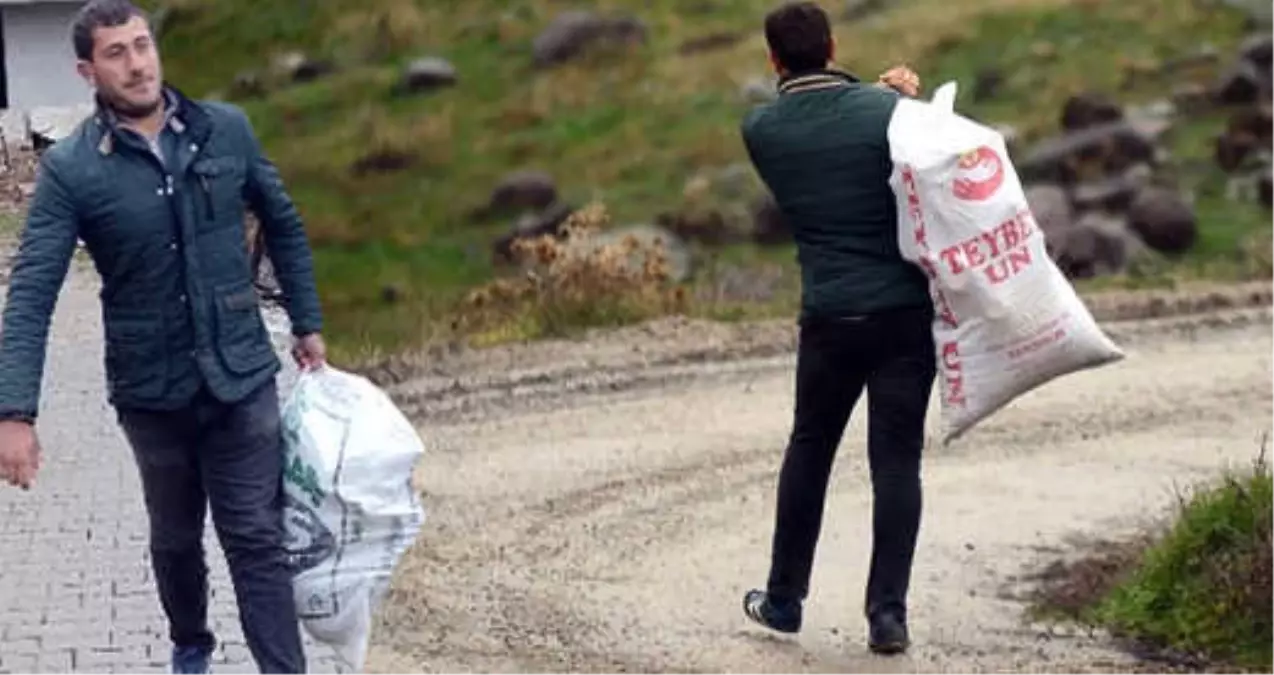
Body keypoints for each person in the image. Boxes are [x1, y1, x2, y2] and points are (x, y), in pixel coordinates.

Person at [0, 1, 325, 672]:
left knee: (256, 538)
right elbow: (32, 290)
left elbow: (285, 223)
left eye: (142, 45)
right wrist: (14, 412)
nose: (137, 62)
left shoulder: (225, 131)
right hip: (152, 391)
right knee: (176, 540)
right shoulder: (73, 170)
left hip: (241, 375)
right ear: (87, 70)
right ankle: (190, 642)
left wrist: (307, 321)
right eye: (116, 52)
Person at [737, 1, 935, 656]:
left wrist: (878, 97)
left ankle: (785, 599)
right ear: (832, 45)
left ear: (773, 60)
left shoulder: (761, 130)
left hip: (829, 318)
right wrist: (896, 97)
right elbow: (905, 148)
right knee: (896, 462)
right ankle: (887, 614)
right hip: (905, 315)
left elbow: (820, 130)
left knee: (810, 450)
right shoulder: (889, 114)